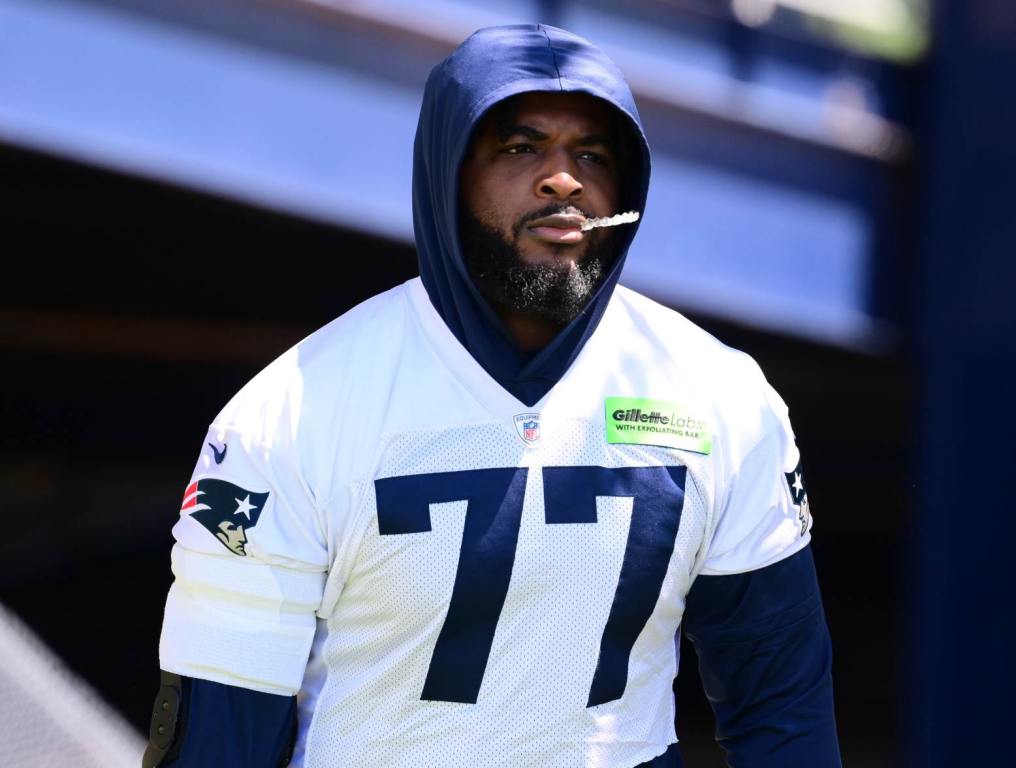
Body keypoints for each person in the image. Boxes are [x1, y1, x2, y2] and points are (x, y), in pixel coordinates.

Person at [144, 23, 840, 768]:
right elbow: (217, 742)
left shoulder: (720, 395)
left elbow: (783, 711)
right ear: (448, 170)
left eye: (593, 155)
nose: (563, 179)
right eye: (520, 147)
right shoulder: (288, 413)